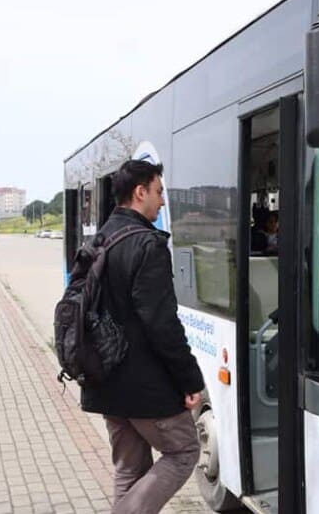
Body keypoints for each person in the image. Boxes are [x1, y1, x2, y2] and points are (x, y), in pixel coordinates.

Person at [80, 159, 205, 514]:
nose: (162, 201)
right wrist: (189, 378)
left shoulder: (100, 240)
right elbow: (161, 323)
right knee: (184, 452)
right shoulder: (147, 245)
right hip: (144, 386)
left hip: (104, 378)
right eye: (159, 192)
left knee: (130, 469)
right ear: (140, 192)